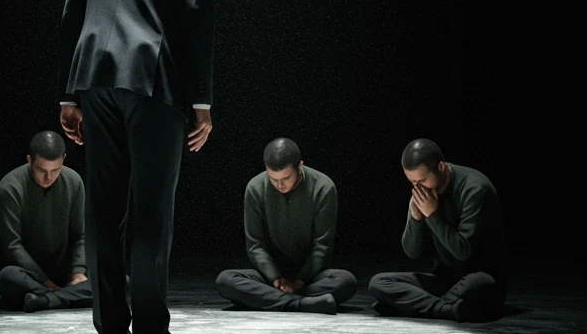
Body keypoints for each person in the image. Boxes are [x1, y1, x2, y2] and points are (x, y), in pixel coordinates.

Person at [59, 0, 218, 334]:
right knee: (152, 212)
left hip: (93, 81)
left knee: (103, 210)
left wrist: (69, 95)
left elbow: (72, 13)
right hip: (153, 82)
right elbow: (197, 16)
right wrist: (201, 102)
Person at [368, 138, 509, 321]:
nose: (417, 187)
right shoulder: (423, 192)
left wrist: (433, 215)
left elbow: (464, 253)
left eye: (422, 180)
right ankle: (444, 309)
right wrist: (416, 219)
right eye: (412, 182)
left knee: (480, 283)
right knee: (379, 282)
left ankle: (414, 306)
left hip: (480, 279)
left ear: (441, 167)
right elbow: (412, 252)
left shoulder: (475, 189)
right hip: (445, 280)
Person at [215, 138, 357, 314]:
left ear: (300, 165)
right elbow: (255, 244)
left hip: (309, 277)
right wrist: (276, 279)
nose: (279, 185)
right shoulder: (255, 187)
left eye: (285, 178)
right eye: (273, 179)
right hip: (271, 278)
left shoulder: (323, 187)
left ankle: (269, 300)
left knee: (346, 281)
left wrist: (300, 281)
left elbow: (322, 246)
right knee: (225, 280)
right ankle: (301, 304)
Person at [0, 130, 92, 312]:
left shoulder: (74, 181)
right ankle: (66, 297)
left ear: (63, 159)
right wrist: (46, 282)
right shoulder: (10, 188)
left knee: (119, 280)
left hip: (65, 273)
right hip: (30, 275)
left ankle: (47, 300)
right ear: (29, 160)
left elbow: (81, 234)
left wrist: (78, 272)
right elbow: (13, 246)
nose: (48, 177)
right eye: (42, 170)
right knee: (8, 277)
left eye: (55, 170)